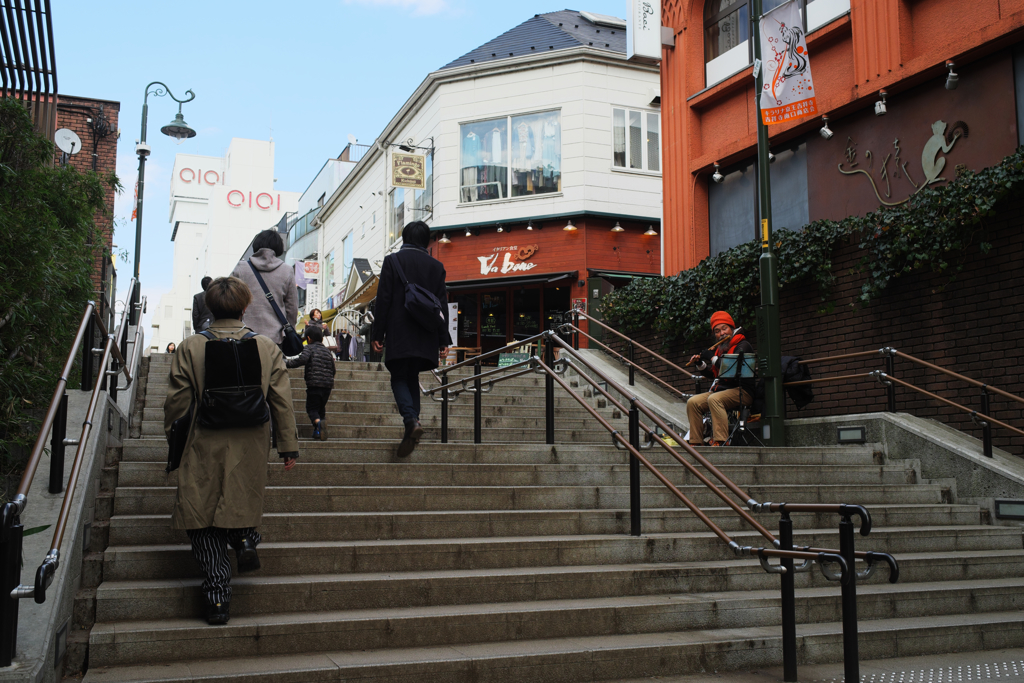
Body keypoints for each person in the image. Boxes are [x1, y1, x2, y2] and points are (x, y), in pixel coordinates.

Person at [162, 276, 299, 625]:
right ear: (244, 306)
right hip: (251, 439)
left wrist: (175, 443)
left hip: (203, 438)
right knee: (242, 496)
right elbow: (281, 401)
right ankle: (245, 537)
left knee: (202, 518)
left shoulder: (191, 347)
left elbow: (177, 404)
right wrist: (287, 446)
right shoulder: (266, 347)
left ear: (209, 306)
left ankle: (218, 597)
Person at [371, 221, 451, 457]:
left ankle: (410, 420)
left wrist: (378, 334)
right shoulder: (436, 266)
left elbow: (383, 299)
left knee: (398, 377)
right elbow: (441, 305)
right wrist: (442, 339)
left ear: (404, 237)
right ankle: (412, 424)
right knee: (412, 376)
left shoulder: (393, 261)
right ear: (426, 241)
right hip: (425, 333)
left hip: (399, 331)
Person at [686, 311, 754, 447]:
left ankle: (721, 440)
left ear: (732, 328)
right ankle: (696, 442)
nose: (722, 333)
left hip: (742, 391)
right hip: (723, 391)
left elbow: (732, 371)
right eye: (717, 331)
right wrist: (700, 363)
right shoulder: (721, 349)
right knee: (693, 402)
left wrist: (711, 357)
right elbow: (714, 374)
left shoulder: (742, 345)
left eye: (724, 328)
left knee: (714, 399)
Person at [231, 230, 298, 351]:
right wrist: (289, 328)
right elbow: (292, 308)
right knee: (272, 369)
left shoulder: (241, 268)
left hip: (244, 335)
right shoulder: (287, 270)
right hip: (275, 338)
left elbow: (229, 301)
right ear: (278, 247)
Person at [286, 324, 336, 440]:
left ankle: (318, 424)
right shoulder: (327, 351)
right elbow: (333, 369)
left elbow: (302, 359)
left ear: (308, 338)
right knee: (321, 408)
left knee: (312, 408)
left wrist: (287, 364)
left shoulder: (308, 348)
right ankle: (318, 432)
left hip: (314, 384)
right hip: (327, 385)